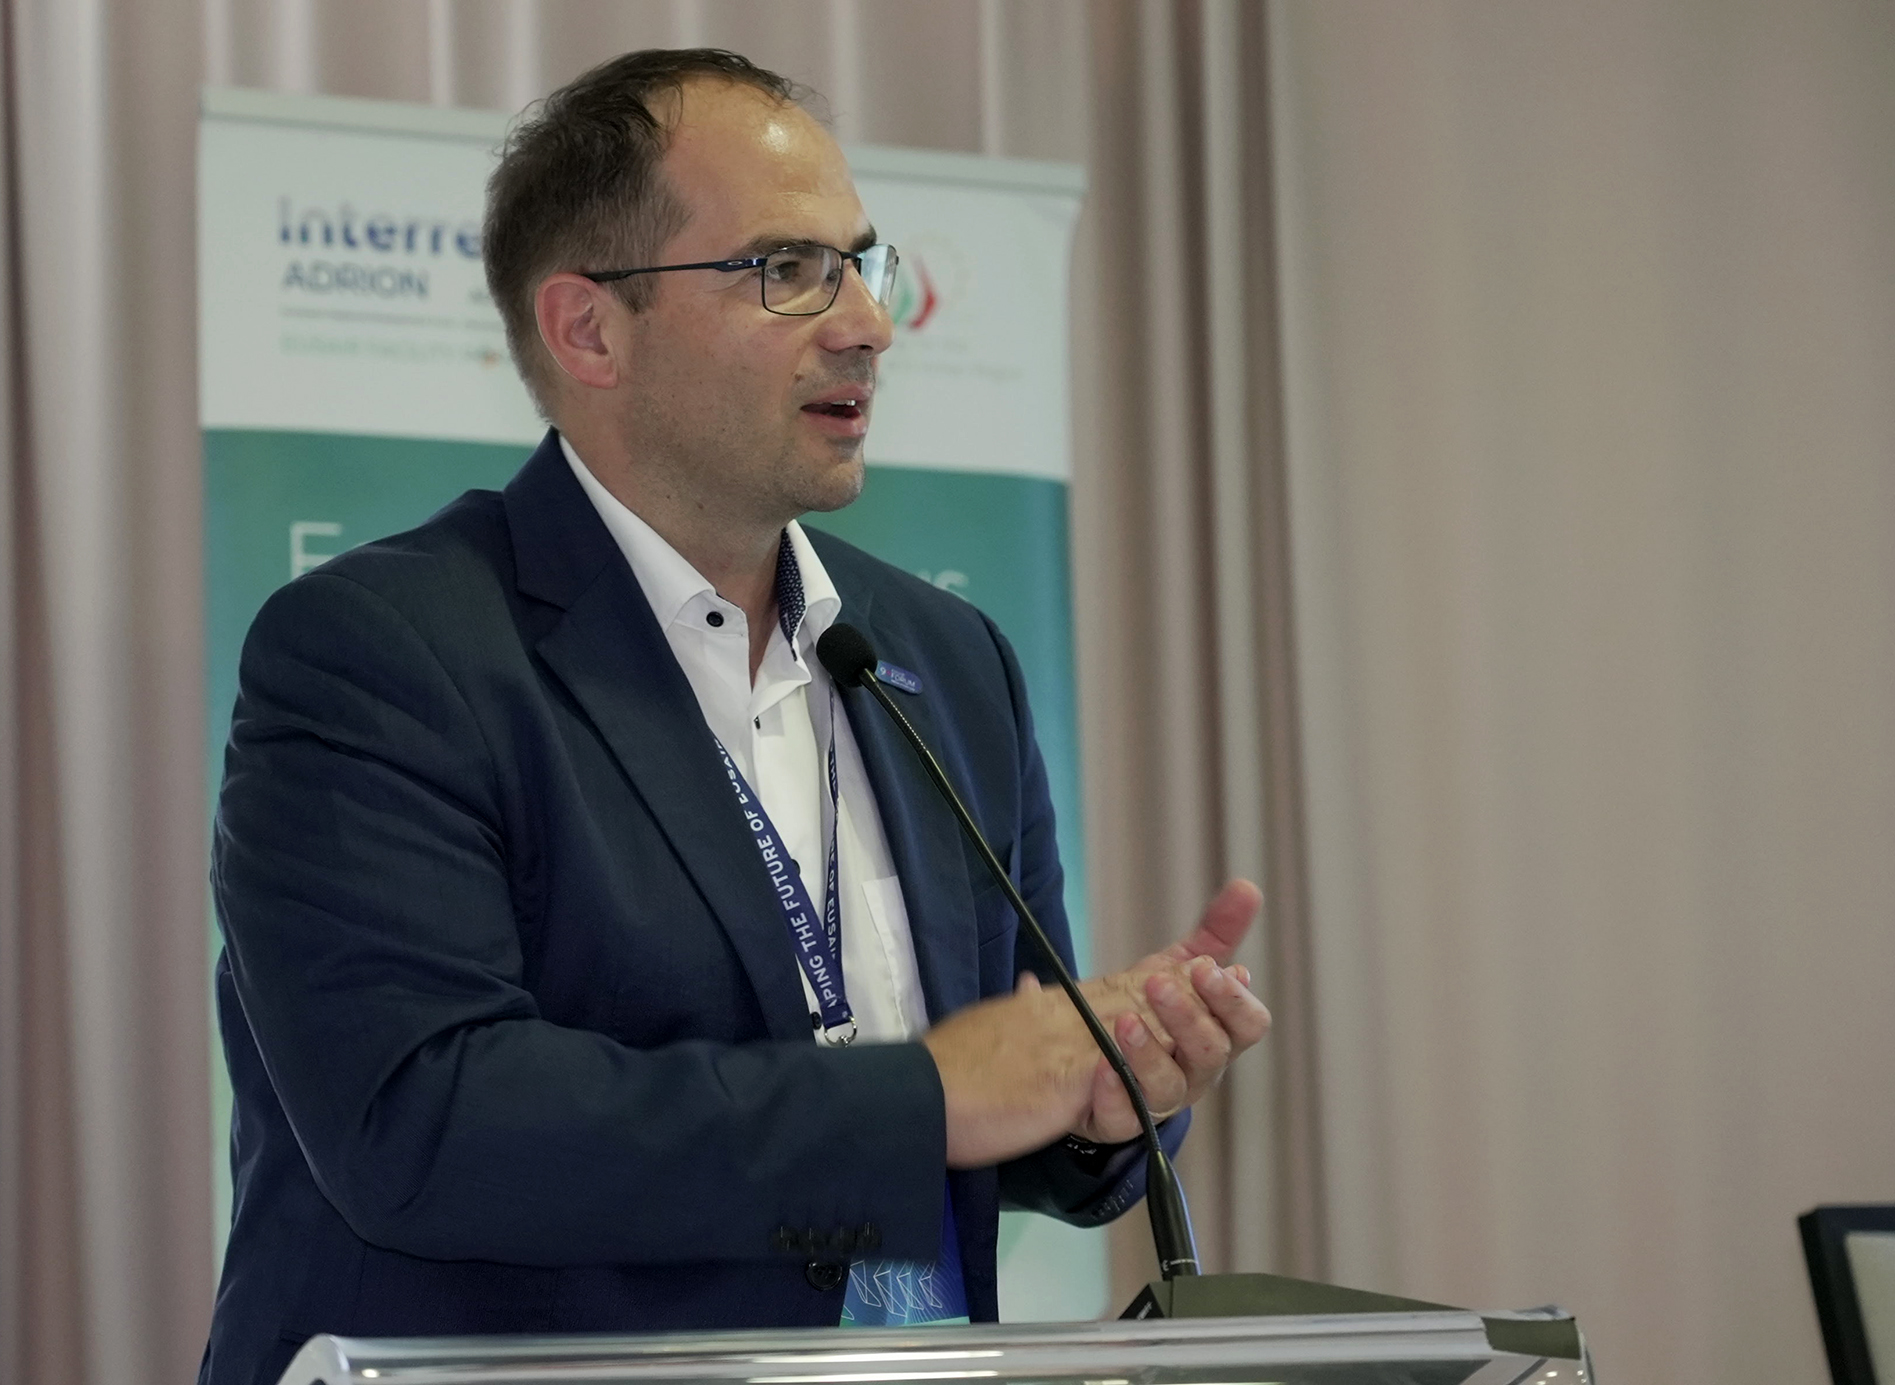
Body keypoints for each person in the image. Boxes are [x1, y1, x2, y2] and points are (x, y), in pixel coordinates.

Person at [199, 48, 1270, 1385]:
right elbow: (427, 1124)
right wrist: (931, 1093)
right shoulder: (384, 651)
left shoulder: (948, 662)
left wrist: (1099, 1095)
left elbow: (984, 1109)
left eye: (862, 266)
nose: (868, 324)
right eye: (787, 269)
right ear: (589, 329)